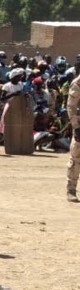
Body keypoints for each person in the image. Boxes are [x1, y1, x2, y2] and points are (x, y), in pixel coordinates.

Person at [66, 74, 80, 202]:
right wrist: (76, 127)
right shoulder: (78, 82)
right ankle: (71, 190)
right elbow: (71, 106)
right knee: (76, 158)